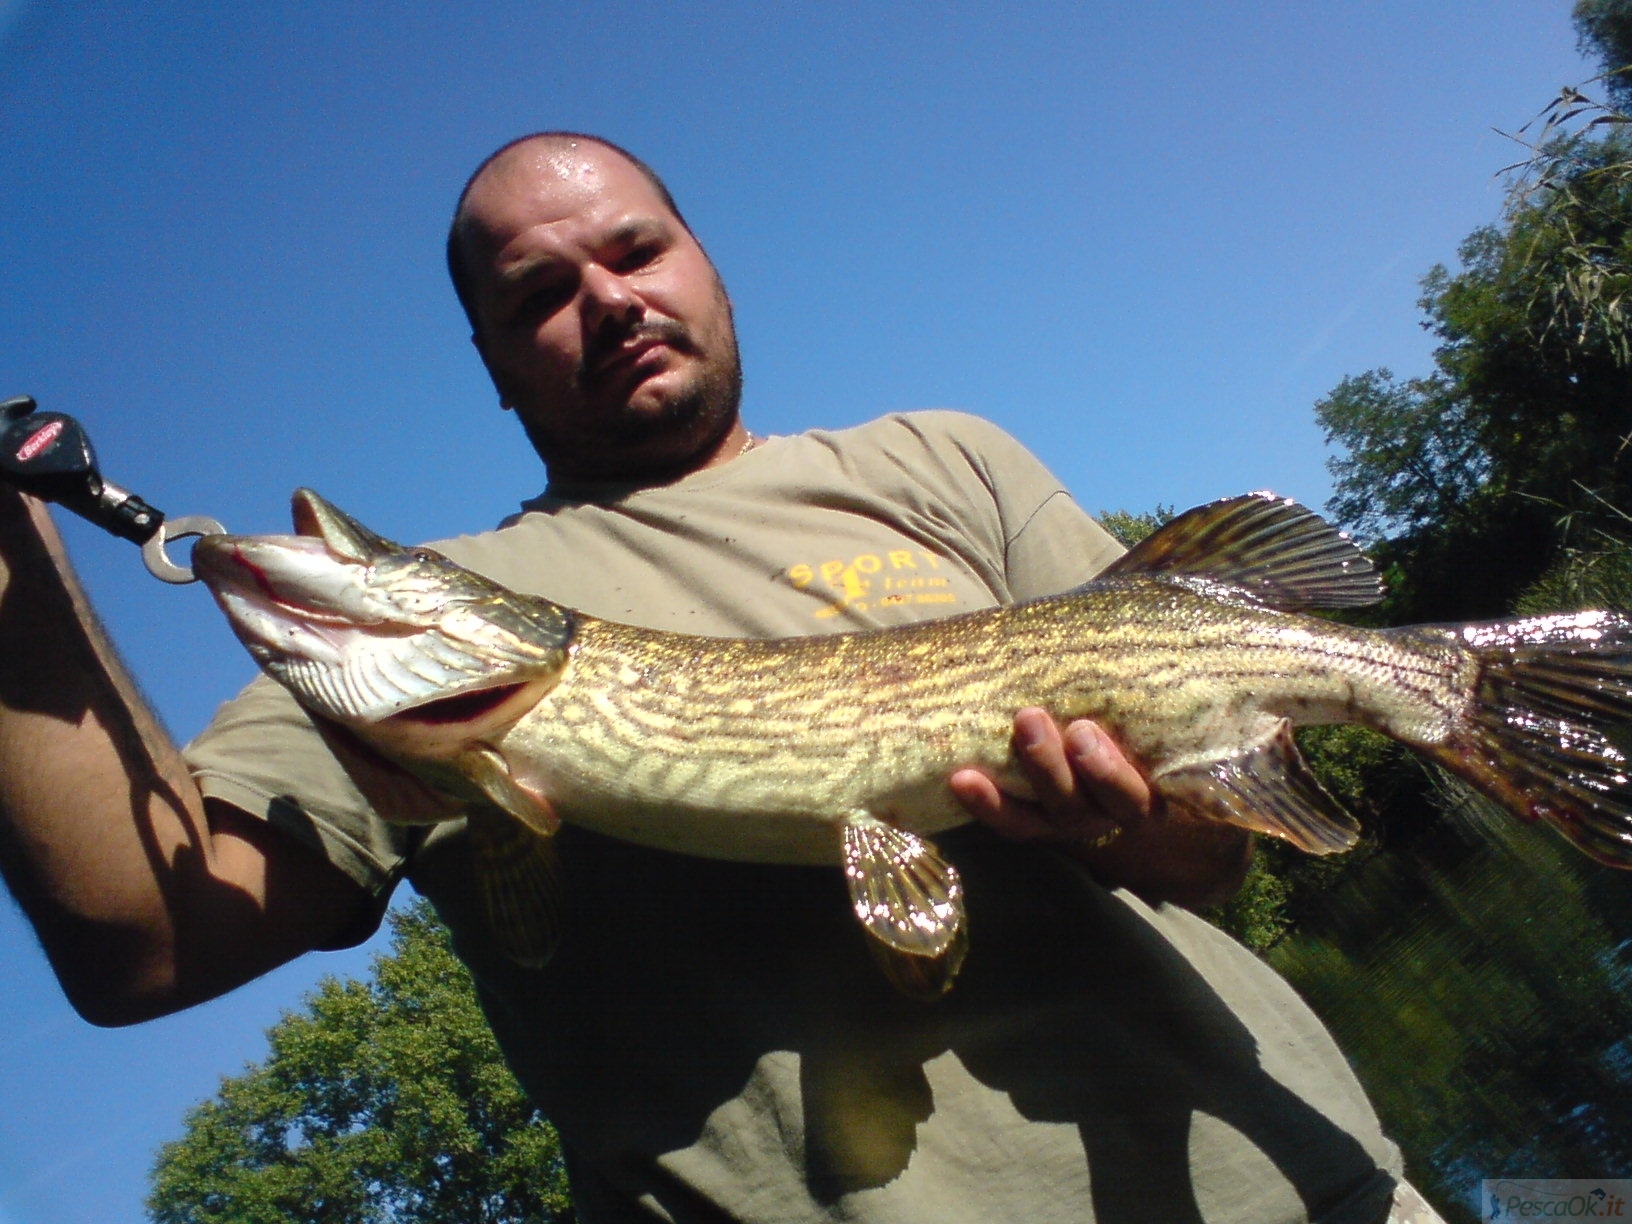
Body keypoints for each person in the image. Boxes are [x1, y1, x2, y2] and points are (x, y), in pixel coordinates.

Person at [0, 133, 1441, 1223]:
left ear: (705, 262)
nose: (608, 300)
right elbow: (142, 941)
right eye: (540, 294)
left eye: (636, 250)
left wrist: (1125, 820)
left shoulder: (935, 462)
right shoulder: (408, 665)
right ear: (492, 365)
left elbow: (1208, 865)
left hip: (1305, 1193)